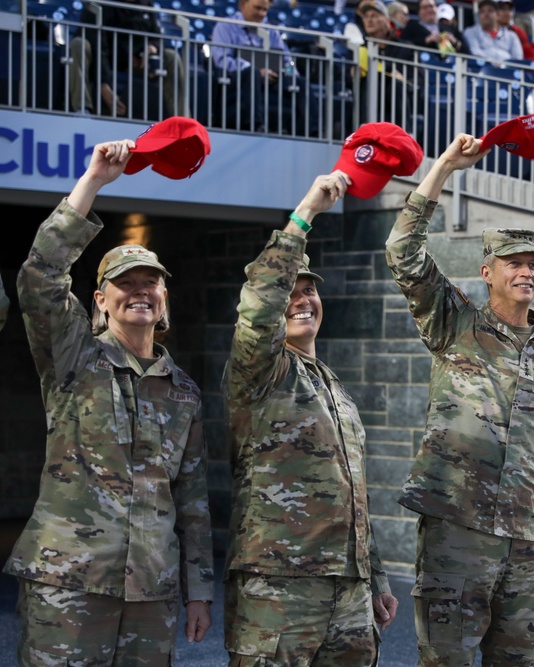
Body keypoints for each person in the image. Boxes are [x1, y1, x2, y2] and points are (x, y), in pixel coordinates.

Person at [4, 139, 213, 664]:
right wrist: (93, 180)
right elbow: (39, 278)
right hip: (69, 583)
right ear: (100, 300)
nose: (139, 290)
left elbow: (191, 498)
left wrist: (200, 589)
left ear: (164, 298)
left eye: (151, 282)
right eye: (125, 283)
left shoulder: (183, 388)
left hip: (152, 592)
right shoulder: (74, 356)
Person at [385, 134, 534, 666]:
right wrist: (444, 166)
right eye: (512, 261)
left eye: (533, 263)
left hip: (527, 540)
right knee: (447, 659)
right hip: (458, 528)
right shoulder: (456, 323)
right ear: (487, 272)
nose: (526, 272)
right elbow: (402, 252)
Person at [223, 170, 398, 664]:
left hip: (349, 592)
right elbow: (260, 306)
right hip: (281, 589)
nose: (302, 300)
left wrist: (375, 577)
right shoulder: (260, 371)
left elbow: (353, 493)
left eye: (310, 292)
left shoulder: (331, 384)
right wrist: (305, 216)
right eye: (291, 293)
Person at [210, 0, 317, 135]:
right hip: (237, 80)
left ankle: (311, 131)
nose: (261, 14)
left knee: (301, 83)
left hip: (272, 80)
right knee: (251, 74)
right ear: (243, 4)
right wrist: (254, 70)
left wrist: (288, 74)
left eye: (264, 10)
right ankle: (255, 126)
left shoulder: (272, 32)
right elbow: (222, 60)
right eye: (257, 8)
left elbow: (287, 61)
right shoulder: (225, 27)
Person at [70, 0, 187, 118]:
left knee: (172, 57)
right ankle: (82, 108)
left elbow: (157, 38)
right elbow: (98, 47)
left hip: (137, 62)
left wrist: (152, 48)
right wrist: (104, 85)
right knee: (78, 44)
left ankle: (182, 119)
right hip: (101, 61)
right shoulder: (97, 4)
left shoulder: (146, 5)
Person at [401, 0, 468, 55]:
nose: (429, 10)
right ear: (419, 12)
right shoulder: (412, 27)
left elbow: (467, 52)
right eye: (425, 7)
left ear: (436, 8)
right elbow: (403, 45)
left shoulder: (448, 27)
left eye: (431, 6)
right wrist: (426, 40)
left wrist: (454, 41)